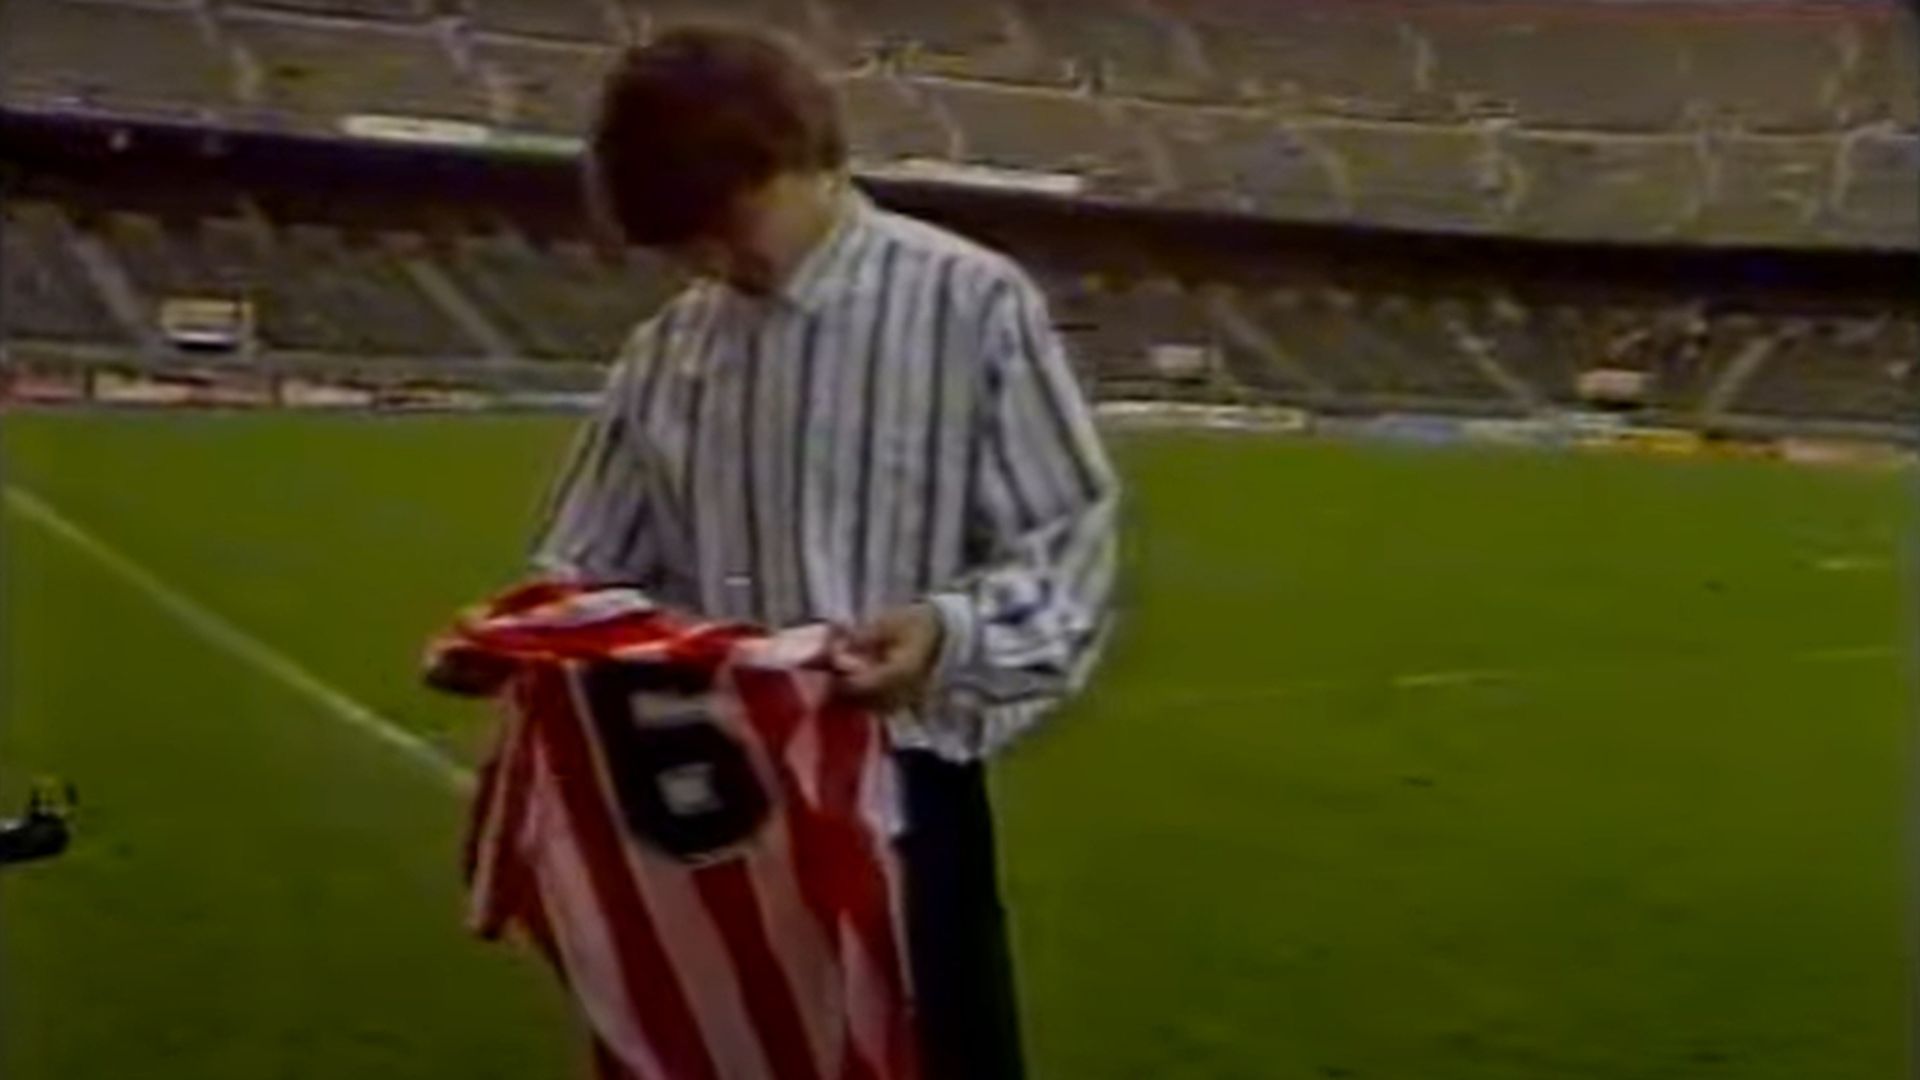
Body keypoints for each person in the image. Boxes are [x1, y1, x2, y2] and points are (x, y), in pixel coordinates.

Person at [534, 23, 1119, 1079]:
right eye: (685, 246)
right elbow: (586, 562)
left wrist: (945, 635)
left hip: (901, 803)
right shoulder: (667, 352)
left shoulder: (969, 304)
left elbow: (1066, 544)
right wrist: (531, 640)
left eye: (729, 223)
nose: (715, 260)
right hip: (709, 798)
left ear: (797, 155)